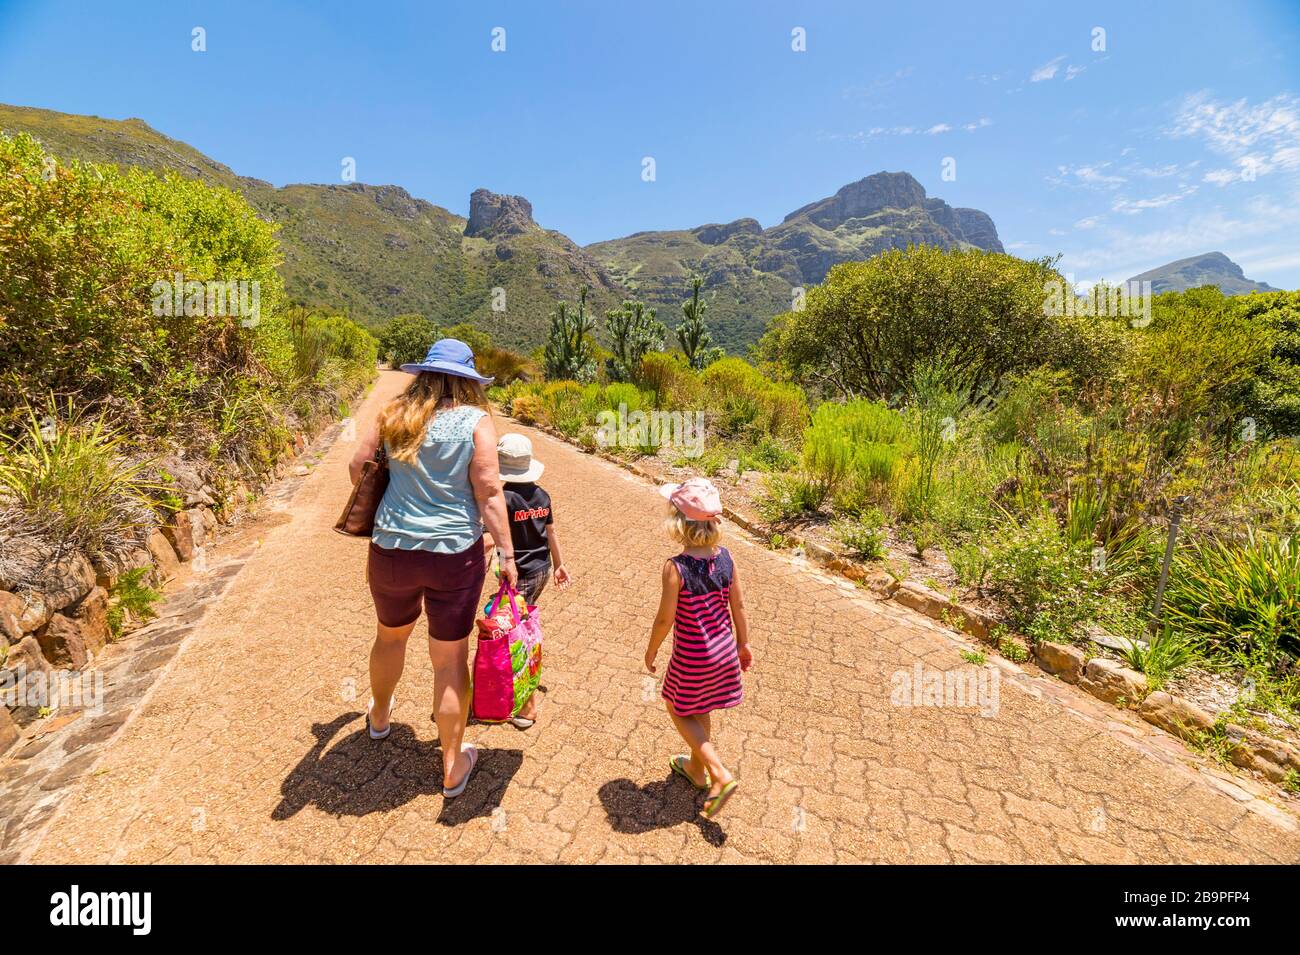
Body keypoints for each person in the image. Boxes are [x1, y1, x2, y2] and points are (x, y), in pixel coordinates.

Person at [349, 339, 518, 798]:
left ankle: (380, 717)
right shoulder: (476, 422)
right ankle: (451, 764)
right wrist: (506, 553)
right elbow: (488, 491)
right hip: (454, 556)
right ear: (467, 381)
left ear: (424, 374)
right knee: (449, 660)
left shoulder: (393, 413)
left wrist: (394, 504)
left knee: (390, 635)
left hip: (393, 549)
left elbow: (357, 465)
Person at [643, 477, 752, 818]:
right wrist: (744, 644)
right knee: (699, 705)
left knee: (676, 706)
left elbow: (665, 619)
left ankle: (718, 772)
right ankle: (695, 769)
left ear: (678, 522)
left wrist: (651, 650)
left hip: (693, 655)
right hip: (724, 654)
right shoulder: (727, 559)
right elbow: (740, 606)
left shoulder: (675, 568)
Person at [483, 432, 571, 729]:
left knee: (514, 635)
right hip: (541, 570)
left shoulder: (503, 499)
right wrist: (559, 565)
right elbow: (552, 534)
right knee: (519, 625)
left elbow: (490, 540)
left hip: (518, 575)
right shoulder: (542, 496)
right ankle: (514, 688)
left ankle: (527, 705)